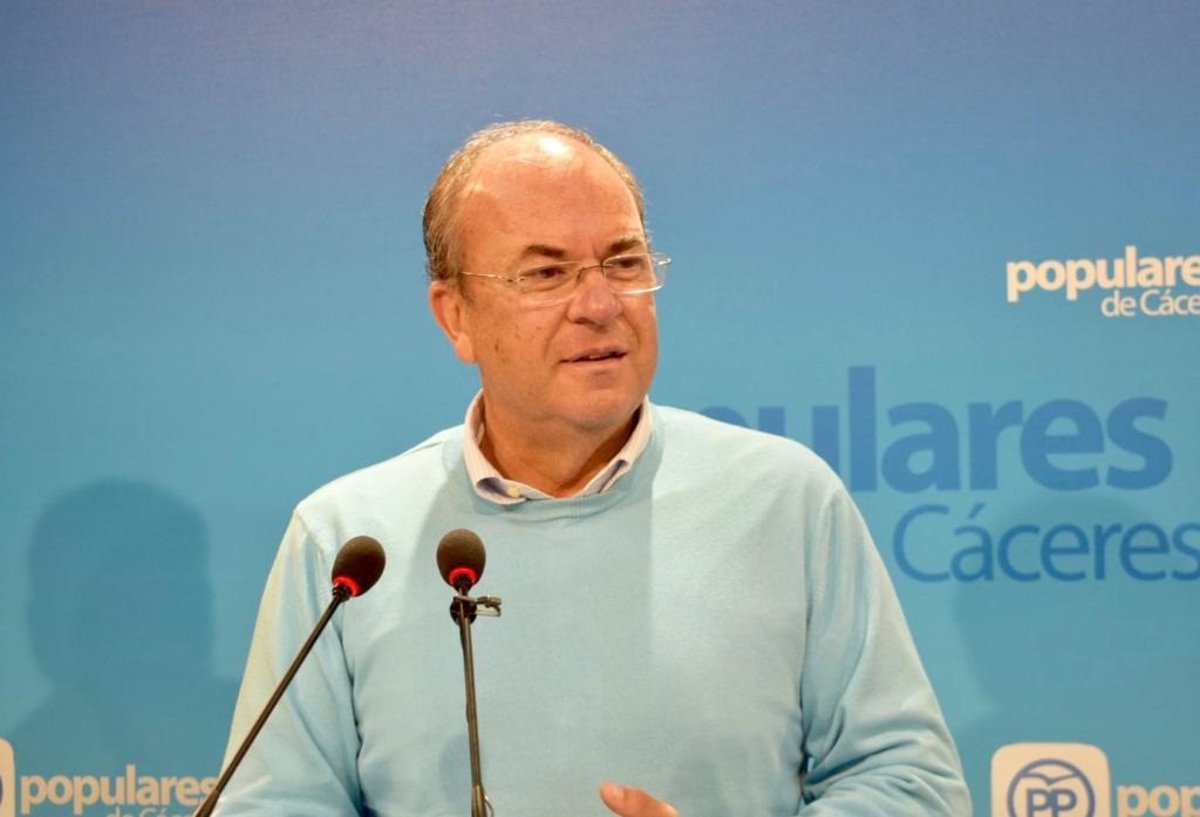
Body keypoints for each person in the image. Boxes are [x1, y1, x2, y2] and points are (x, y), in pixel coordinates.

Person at [216, 120, 971, 816]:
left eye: (624, 262)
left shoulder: (785, 499)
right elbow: (273, 804)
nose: (601, 303)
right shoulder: (349, 542)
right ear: (456, 316)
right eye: (546, 274)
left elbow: (911, 784)